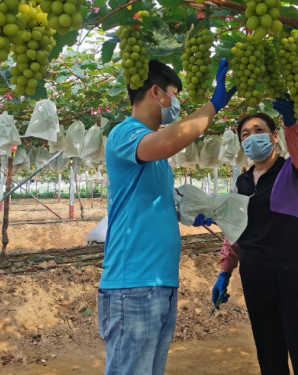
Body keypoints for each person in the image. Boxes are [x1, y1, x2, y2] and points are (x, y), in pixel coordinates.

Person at [98, 58, 236, 375]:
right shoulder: (125, 134)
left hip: (158, 284)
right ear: (157, 93)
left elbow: (152, 201)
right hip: (132, 285)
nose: (177, 104)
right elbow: (168, 141)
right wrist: (212, 105)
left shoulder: (155, 160)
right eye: (175, 95)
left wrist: (187, 210)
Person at [211, 95, 298, 375]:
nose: (252, 138)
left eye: (259, 131)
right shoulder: (242, 180)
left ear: (274, 137)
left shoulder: (292, 170)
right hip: (255, 273)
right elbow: (234, 227)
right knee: (269, 350)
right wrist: (226, 270)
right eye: (245, 135)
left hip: (293, 273)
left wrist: (295, 126)